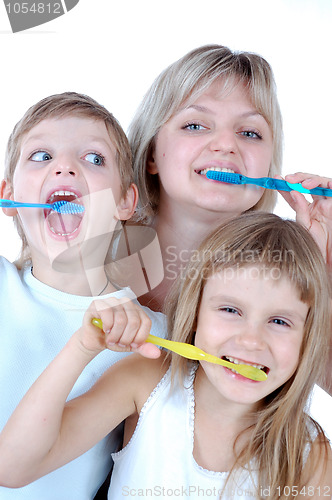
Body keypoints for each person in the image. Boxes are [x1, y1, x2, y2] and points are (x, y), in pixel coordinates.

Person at [1, 212, 331, 499]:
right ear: (196, 312)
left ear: (308, 336)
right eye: (231, 309)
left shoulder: (309, 454)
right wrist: (82, 347)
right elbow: (13, 468)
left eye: (279, 321)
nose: (251, 340)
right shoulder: (147, 381)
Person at [119, 44, 332, 397]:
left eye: (249, 133)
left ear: (269, 164)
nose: (224, 144)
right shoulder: (88, 253)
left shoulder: (287, 266)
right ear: (152, 152)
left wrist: (322, 271)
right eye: (195, 125)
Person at [0, 92, 165, 500]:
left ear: (126, 200)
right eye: (41, 156)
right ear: (8, 195)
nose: (65, 168)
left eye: (93, 159)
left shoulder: (151, 336)